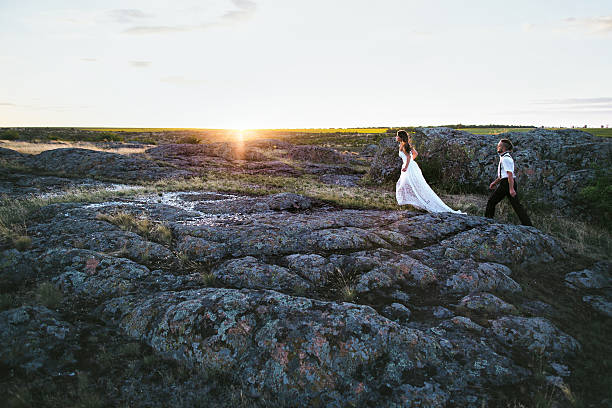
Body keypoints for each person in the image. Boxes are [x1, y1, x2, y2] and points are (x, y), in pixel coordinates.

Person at [395, 130, 464, 213]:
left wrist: (407, 166)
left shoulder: (404, 146)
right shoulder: (405, 145)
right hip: (411, 166)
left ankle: (419, 201)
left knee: (407, 184)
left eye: (397, 136)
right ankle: (415, 202)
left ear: (400, 137)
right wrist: (410, 163)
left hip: (408, 167)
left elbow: (409, 157)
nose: (396, 137)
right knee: (407, 183)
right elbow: (415, 154)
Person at [485, 139, 532, 226]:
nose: (497, 147)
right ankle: (528, 224)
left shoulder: (505, 159)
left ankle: (488, 221)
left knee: (491, 201)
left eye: (499, 146)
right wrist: (494, 183)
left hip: (507, 184)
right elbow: (503, 175)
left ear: (503, 148)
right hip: (507, 182)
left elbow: (509, 174)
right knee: (516, 205)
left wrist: (511, 189)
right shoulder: (504, 157)